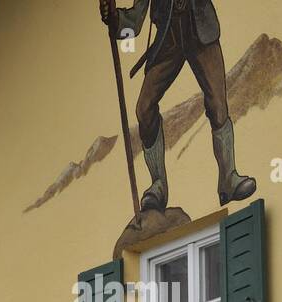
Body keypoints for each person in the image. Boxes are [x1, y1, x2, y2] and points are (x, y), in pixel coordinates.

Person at [99, 0, 257, 209]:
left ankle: (228, 179)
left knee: (218, 104)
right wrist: (114, 18)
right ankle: (158, 186)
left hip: (200, 31)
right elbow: (134, 22)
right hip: (169, 37)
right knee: (144, 108)